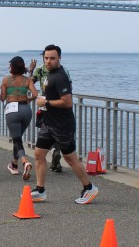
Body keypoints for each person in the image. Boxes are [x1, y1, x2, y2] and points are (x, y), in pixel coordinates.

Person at [31, 45, 98, 204]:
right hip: (48, 123)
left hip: (62, 125)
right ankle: (40, 190)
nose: (48, 61)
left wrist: (46, 102)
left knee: (70, 158)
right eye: (46, 58)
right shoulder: (49, 74)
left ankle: (89, 188)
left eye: (52, 58)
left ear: (59, 58)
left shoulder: (60, 77)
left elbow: (67, 102)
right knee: (39, 154)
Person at [0, 56, 38, 179]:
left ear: (12, 67)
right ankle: (14, 165)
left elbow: (2, 98)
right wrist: (28, 99)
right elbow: (35, 94)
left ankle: (24, 161)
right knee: (18, 138)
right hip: (26, 110)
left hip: (12, 110)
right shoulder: (27, 80)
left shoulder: (5, 80)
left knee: (17, 140)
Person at [30, 57, 63, 172]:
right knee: (57, 130)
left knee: (46, 129)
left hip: (44, 103)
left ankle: (52, 150)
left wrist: (31, 69)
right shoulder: (63, 71)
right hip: (59, 104)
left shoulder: (40, 69)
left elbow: (30, 82)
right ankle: (56, 156)